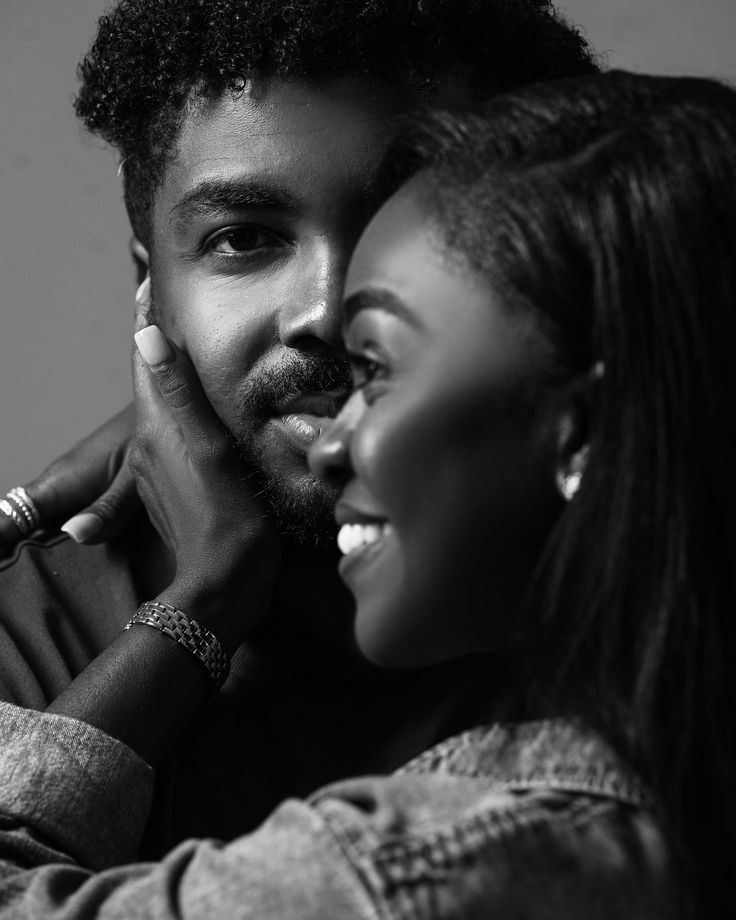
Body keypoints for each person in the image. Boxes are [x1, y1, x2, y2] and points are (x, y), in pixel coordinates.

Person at [2, 67, 734, 918]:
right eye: (244, 237)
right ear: (151, 299)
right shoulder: (34, 624)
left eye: (379, 358)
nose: (325, 310)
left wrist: (197, 608)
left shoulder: (422, 864)